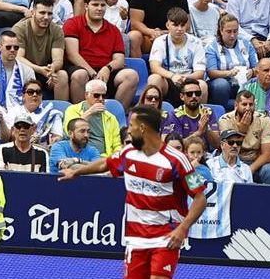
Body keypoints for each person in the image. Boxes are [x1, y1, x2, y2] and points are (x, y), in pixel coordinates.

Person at [61, 105, 209, 279]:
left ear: (143, 128)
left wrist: (183, 229)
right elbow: (104, 164)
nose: (129, 131)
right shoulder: (128, 153)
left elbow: (200, 198)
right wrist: (76, 172)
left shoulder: (177, 160)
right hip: (135, 238)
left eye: (131, 125)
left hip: (165, 236)